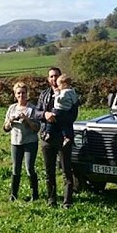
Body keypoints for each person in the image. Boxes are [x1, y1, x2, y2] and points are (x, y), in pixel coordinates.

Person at [33, 67, 75, 208]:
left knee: (66, 171)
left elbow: (73, 116)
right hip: (47, 137)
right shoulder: (44, 94)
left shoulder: (68, 94)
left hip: (64, 137)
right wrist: (45, 115)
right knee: (49, 171)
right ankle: (51, 200)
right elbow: (36, 113)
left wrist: (57, 117)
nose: (53, 78)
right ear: (48, 78)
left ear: (60, 77)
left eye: (55, 76)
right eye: (51, 76)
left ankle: (67, 201)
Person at [3, 82, 40, 201]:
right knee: (16, 168)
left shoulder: (32, 108)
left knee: (29, 168)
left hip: (30, 142)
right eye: (18, 93)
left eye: (23, 93)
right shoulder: (11, 108)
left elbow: (37, 128)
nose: (21, 95)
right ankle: (13, 195)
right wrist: (11, 121)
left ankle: (35, 195)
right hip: (16, 142)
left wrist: (27, 120)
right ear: (15, 95)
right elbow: (5, 128)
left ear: (27, 94)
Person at [50, 73, 78, 148]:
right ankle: (69, 138)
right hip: (66, 111)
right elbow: (75, 101)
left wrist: (56, 93)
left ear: (64, 84)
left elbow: (60, 99)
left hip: (59, 110)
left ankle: (48, 133)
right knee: (65, 125)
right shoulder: (72, 92)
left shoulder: (64, 92)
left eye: (59, 85)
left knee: (52, 120)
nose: (58, 87)